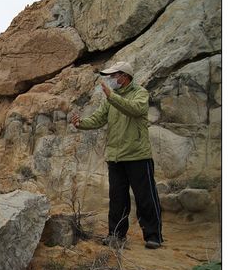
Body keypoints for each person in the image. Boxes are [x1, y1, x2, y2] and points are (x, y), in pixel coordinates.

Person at [70, 61, 163, 249]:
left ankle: (153, 236)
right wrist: (81, 123)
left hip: (138, 156)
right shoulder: (111, 99)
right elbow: (98, 118)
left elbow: (135, 109)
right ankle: (116, 235)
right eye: (111, 76)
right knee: (117, 198)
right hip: (115, 157)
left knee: (145, 196)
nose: (111, 79)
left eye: (114, 76)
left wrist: (112, 96)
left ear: (124, 76)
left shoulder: (140, 93)